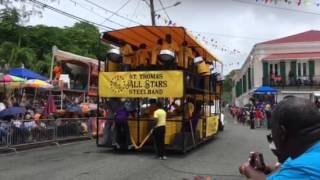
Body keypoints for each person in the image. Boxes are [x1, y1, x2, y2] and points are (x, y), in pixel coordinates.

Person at [239, 97, 320, 180]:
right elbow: (285, 167)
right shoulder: (303, 155)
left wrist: (249, 170)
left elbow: (296, 171)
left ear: (281, 133)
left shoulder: (302, 170)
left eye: (272, 132)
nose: (272, 138)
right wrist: (266, 169)